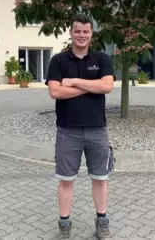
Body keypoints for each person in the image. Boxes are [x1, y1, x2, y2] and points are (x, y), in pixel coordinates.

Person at [45, 13, 115, 239]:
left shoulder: (102, 58)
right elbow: (55, 91)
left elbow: (107, 86)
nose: (81, 35)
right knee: (66, 181)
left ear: (91, 34)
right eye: (77, 31)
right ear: (71, 32)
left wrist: (74, 82)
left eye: (86, 31)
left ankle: (101, 221)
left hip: (97, 130)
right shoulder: (58, 61)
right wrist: (92, 86)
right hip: (68, 131)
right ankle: (64, 225)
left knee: (100, 178)